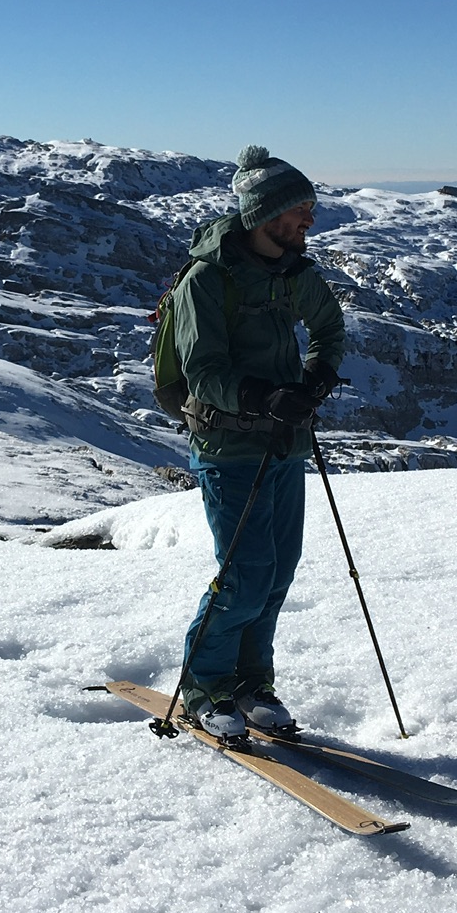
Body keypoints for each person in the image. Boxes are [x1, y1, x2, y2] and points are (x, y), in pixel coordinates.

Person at [170, 145, 346, 741]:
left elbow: (328, 326)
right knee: (244, 574)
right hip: (230, 447)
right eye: (299, 211)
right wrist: (266, 398)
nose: (309, 222)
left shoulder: (293, 271)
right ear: (264, 216)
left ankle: (251, 684)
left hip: (286, 445)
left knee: (277, 573)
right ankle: (205, 687)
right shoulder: (208, 281)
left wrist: (317, 377)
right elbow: (202, 372)